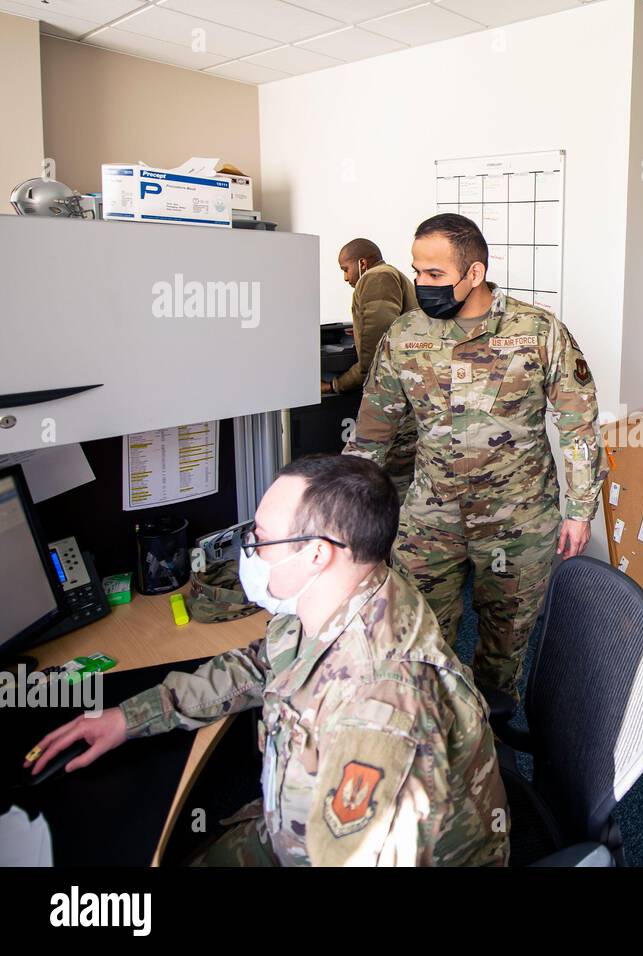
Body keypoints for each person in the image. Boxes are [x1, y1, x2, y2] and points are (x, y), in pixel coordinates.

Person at [25, 455, 508, 866]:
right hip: (296, 819)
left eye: (260, 538)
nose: (250, 553)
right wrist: (131, 717)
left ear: (318, 554)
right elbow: (264, 664)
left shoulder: (380, 706)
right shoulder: (345, 593)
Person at [344, 213, 606, 703]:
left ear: (475, 274)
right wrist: (345, 512)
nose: (421, 285)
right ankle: (440, 727)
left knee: (506, 639)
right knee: (418, 633)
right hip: (430, 519)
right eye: (418, 272)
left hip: (519, 518)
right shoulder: (404, 337)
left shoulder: (537, 331)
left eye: (435, 275)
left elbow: (578, 425)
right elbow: (373, 432)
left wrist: (579, 510)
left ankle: (496, 728)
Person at [327, 239, 420, 498]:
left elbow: (374, 357)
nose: (346, 278)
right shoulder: (393, 275)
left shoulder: (376, 277)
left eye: (345, 269)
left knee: (384, 482)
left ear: (362, 263)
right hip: (410, 394)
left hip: (392, 400)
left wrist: (337, 384)